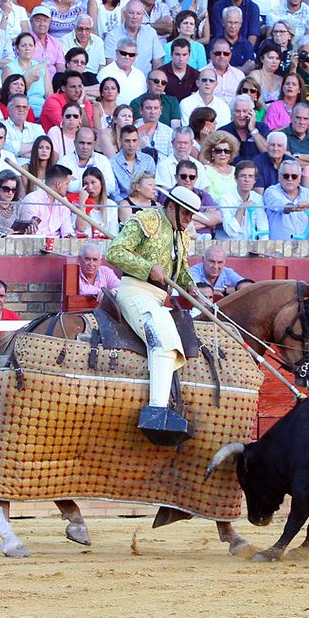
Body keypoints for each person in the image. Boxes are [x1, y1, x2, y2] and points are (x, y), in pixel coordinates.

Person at [104, 184, 202, 443]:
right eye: (186, 213)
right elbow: (114, 252)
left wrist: (192, 287)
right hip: (135, 292)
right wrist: (148, 268)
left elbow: (181, 270)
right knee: (163, 341)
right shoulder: (147, 219)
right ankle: (157, 412)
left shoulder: (182, 235)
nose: (189, 220)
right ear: (171, 207)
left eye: (192, 215)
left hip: (158, 298)